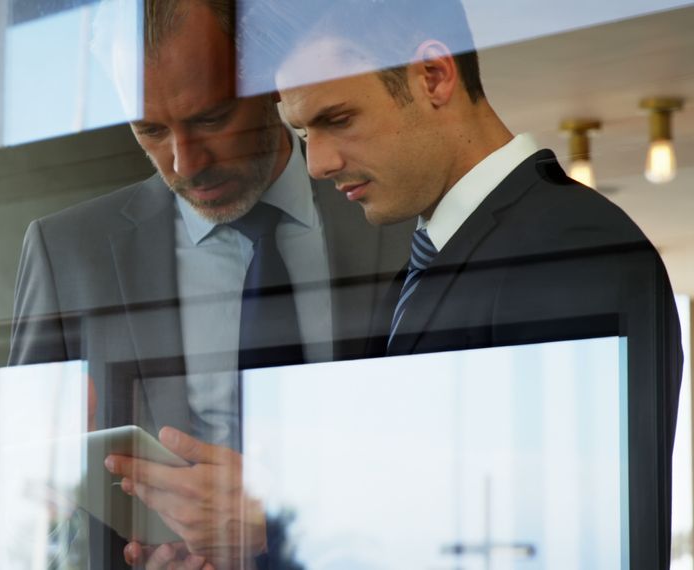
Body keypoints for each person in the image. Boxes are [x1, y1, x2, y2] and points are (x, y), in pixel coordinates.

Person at [254, 0, 683, 566]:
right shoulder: (438, 256)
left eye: (337, 119)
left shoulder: (566, 245)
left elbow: (559, 534)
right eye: (304, 132)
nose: (318, 164)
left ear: (433, 76)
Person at [8, 0, 411, 567]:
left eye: (210, 118)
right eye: (150, 130)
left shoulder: (401, 222)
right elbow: (23, 495)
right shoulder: (68, 254)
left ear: (272, 80)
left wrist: (270, 524)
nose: (185, 161)